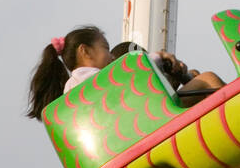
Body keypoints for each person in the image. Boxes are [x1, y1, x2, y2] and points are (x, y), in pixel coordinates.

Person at [25, 26, 224, 120]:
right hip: (141, 123)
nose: (112, 57)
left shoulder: (74, 88)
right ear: (85, 51)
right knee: (208, 79)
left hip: (128, 125)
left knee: (196, 78)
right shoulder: (90, 81)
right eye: (105, 48)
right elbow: (131, 72)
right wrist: (159, 56)